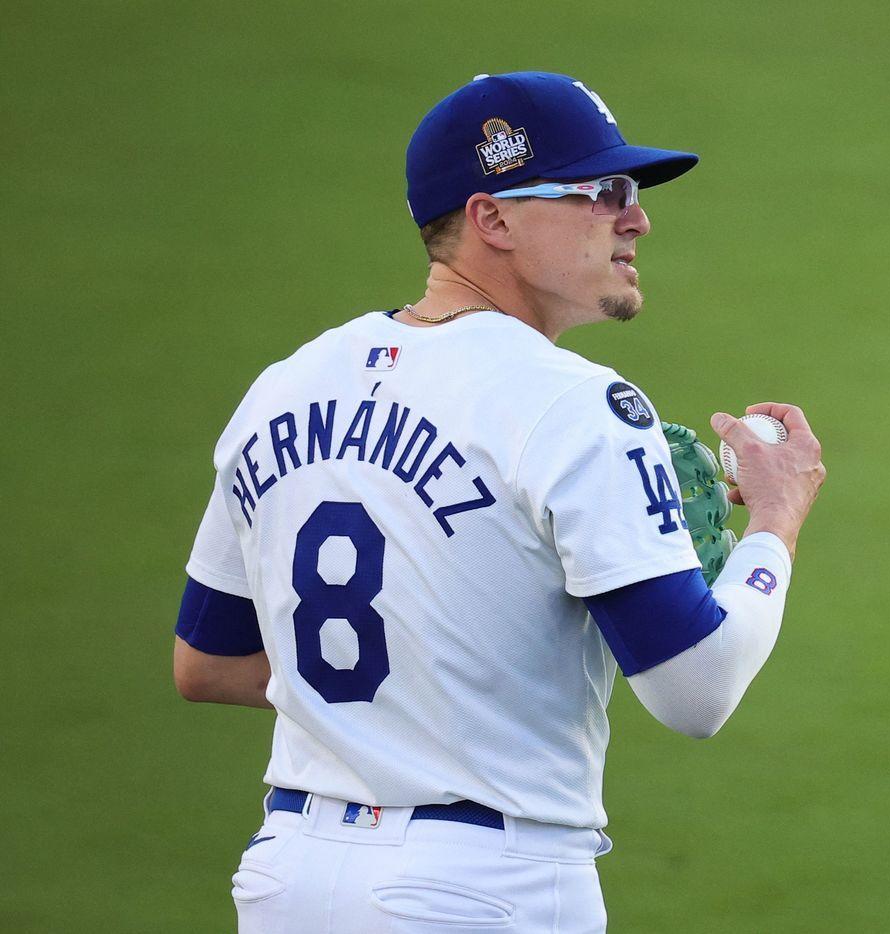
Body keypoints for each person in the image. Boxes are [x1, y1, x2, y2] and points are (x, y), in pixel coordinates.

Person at [173, 71, 825, 933]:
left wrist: (423, 689)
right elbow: (696, 690)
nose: (637, 218)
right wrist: (774, 524)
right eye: (602, 193)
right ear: (493, 219)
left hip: (290, 877)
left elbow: (209, 663)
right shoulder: (576, 405)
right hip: (482, 889)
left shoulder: (285, 387)